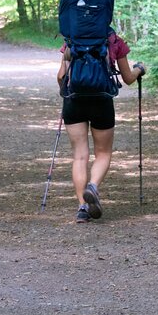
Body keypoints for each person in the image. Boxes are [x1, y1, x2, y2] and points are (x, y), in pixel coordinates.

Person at [57, 32, 146, 223]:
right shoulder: (114, 41)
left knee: (79, 156)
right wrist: (140, 69)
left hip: (74, 101)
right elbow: (128, 78)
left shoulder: (72, 41)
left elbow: (61, 76)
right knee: (103, 153)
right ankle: (93, 187)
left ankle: (82, 208)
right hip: (102, 101)